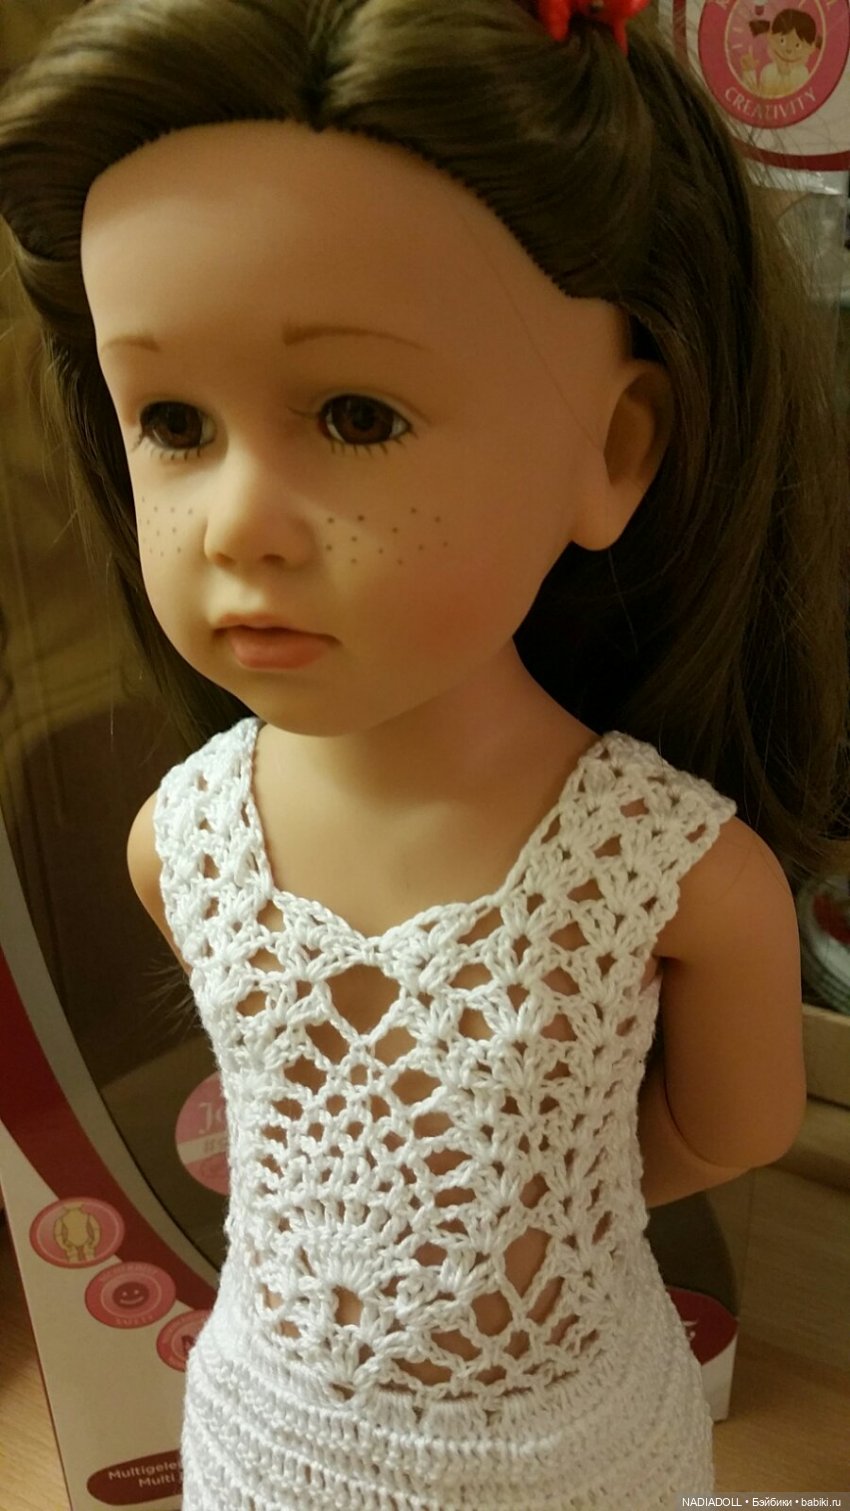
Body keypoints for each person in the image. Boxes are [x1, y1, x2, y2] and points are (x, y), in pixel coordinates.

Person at [1, 1, 848, 1506]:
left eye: (355, 414)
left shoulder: (669, 869)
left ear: (615, 448)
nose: (240, 524)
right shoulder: (179, 840)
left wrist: (523, 1198)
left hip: (567, 1454)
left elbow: (732, 1125)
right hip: (264, 1426)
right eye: (174, 422)